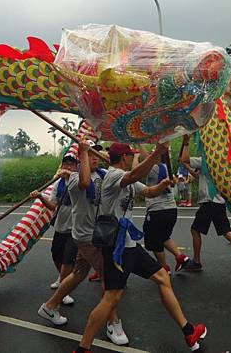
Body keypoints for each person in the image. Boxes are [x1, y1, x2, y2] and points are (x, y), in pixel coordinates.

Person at [73, 142, 207, 353]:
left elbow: (149, 192)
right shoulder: (114, 175)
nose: (133, 158)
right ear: (124, 157)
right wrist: (157, 154)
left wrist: (163, 185)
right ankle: (83, 348)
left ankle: (189, 331)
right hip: (117, 249)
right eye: (131, 155)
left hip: (130, 245)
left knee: (163, 278)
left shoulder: (126, 178)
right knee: (111, 298)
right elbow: (134, 176)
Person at [38, 139, 130, 346]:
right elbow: (85, 183)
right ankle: (113, 322)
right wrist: (83, 152)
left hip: (97, 234)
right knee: (109, 276)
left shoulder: (104, 175)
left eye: (97, 155)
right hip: (86, 236)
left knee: (79, 273)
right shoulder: (74, 178)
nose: (95, 158)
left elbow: (124, 179)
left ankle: (50, 306)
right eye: (90, 155)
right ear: (81, 159)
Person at [179, 134, 231, 278]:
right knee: (226, 232)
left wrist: (186, 143)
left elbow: (185, 158)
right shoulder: (221, 161)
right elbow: (199, 176)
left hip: (209, 202)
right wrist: (186, 164)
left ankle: (197, 262)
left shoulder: (205, 160)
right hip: (218, 202)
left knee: (195, 230)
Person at [32, 154, 78, 304]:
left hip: (75, 228)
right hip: (60, 226)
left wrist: (70, 174)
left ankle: (64, 293)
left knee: (68, 260)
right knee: (56, 255)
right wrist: (40, 196)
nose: (68, 167)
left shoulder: (80, 180)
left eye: (71, 164)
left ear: (76, 167)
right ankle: (62, 278)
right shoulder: (58, 183)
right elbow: (52, 205)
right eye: (66, 164)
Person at [141, 151, 189, 273]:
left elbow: (135, 170)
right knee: (163, 236)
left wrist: (137, 147)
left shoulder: (154, 168)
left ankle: (164, 268)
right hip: (171, 209)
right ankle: (180, 257)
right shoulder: (167, 168)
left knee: (154, 241)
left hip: (157, 210)